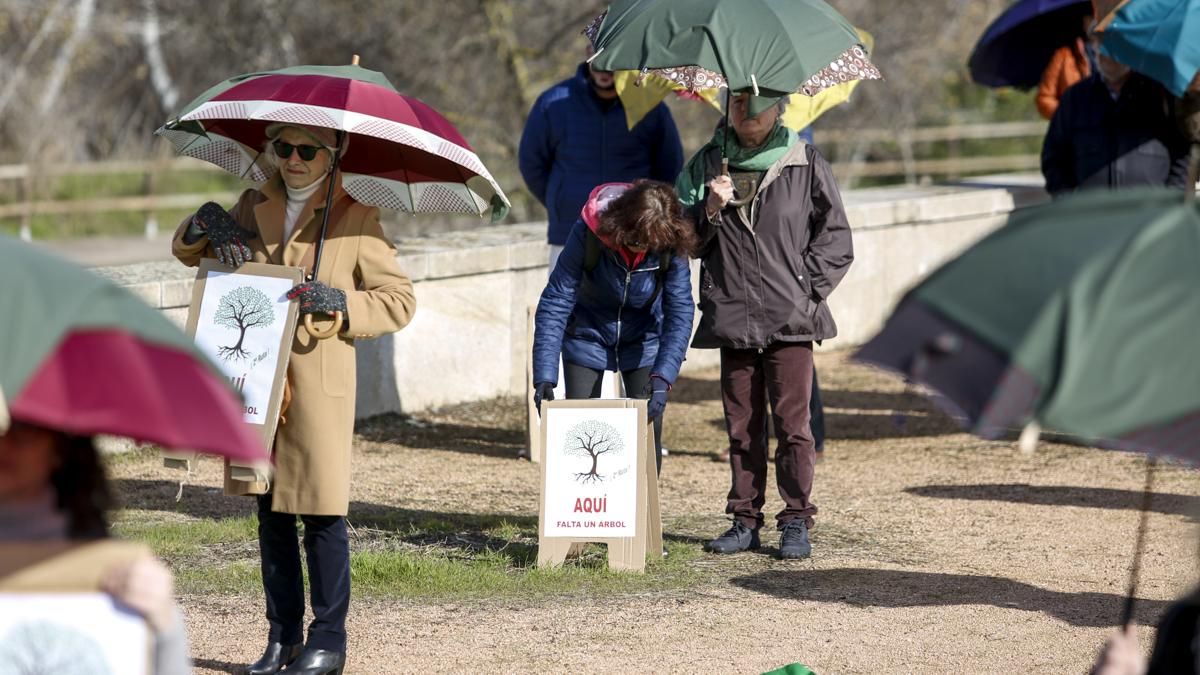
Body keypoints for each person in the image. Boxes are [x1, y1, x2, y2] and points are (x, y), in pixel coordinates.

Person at [172, 123, 416, 675]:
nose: (294, 160)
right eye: (283, 149)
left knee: (322, 513)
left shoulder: (357, 217)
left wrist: (341, 302)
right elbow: (187, 250)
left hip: (318, 384)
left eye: (308, 150)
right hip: (256, 380)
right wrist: (206, 218)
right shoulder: (251, 203)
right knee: (270, 514)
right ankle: (281, 639)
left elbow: (399, 301)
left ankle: (328, 641)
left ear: (335, 154)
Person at [677, 93, 853, 560]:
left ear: (778, 110)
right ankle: (743, 521)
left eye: (756, 107)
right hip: (732, 312)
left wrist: (805, 289)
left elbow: (836, 237)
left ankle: (796, 520)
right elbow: (684, 240)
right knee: (742, 427)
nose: (745, 115)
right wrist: (710, 208)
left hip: (791, 318)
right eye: (736, 105)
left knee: (794, 426)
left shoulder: (805, 162)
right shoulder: (708, 164)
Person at [0, 419, 191, 674]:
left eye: (25, 431)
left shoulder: (111, 566)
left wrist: (164, 628)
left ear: (59, 449)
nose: (5, 444)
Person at [531, 181, 695, 473]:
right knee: (579, 433)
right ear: (621, 226)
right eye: (635, 242)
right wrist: (545, 376)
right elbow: (556, 301)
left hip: (645, 339)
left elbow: (680, 312)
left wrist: (664, 376)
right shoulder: (588, 233)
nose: (641, 248)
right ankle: (582, 514)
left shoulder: (670, 241)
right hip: (587, 335)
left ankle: (642, 515)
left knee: (648, 434)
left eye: (648, 245)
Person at [518, 47, 684, 272]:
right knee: (564, 304)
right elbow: (532, 163)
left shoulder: (650, 108)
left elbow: (670, 167)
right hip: (569, 228)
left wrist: (647, 209)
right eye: (598, 57)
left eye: (612, 59)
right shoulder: (553, 103)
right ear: (588, 53)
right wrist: (560, 199)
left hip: (633, 234)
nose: (605, 69)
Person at [1042, 33, 1191, 195]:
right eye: (1099, 42)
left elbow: (1184, 155)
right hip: (1091, 214)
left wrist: (1171, 201)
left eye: (1114, 43)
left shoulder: (1160, 93)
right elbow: (1054, 159)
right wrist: (1068, 203)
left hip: (1152, 214)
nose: (1105, 51)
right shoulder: (1075, 98)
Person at [1036, 13, 1096, 120]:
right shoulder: (1064, 55)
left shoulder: (1121, 53)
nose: (1096, 21)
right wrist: (1069, 116)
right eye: (1091, 16)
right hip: (1077, 131)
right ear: (1083, 22)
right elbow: (1045, 98)